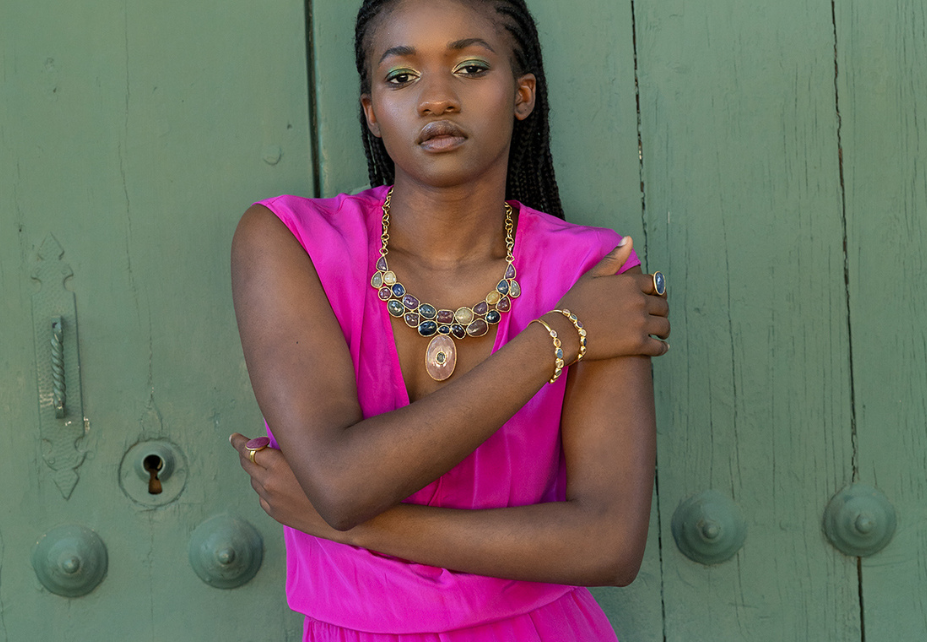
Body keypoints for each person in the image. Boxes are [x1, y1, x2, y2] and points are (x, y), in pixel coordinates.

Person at [228, 0, 670, 639]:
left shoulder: (589, 274)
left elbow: (608, 543)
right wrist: (555, 338)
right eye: (401, 77)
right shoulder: (289, 243)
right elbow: (341, 482)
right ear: (371, 112)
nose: (436, 99)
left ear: (522, 95)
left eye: (468, 67)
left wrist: (351, 524)